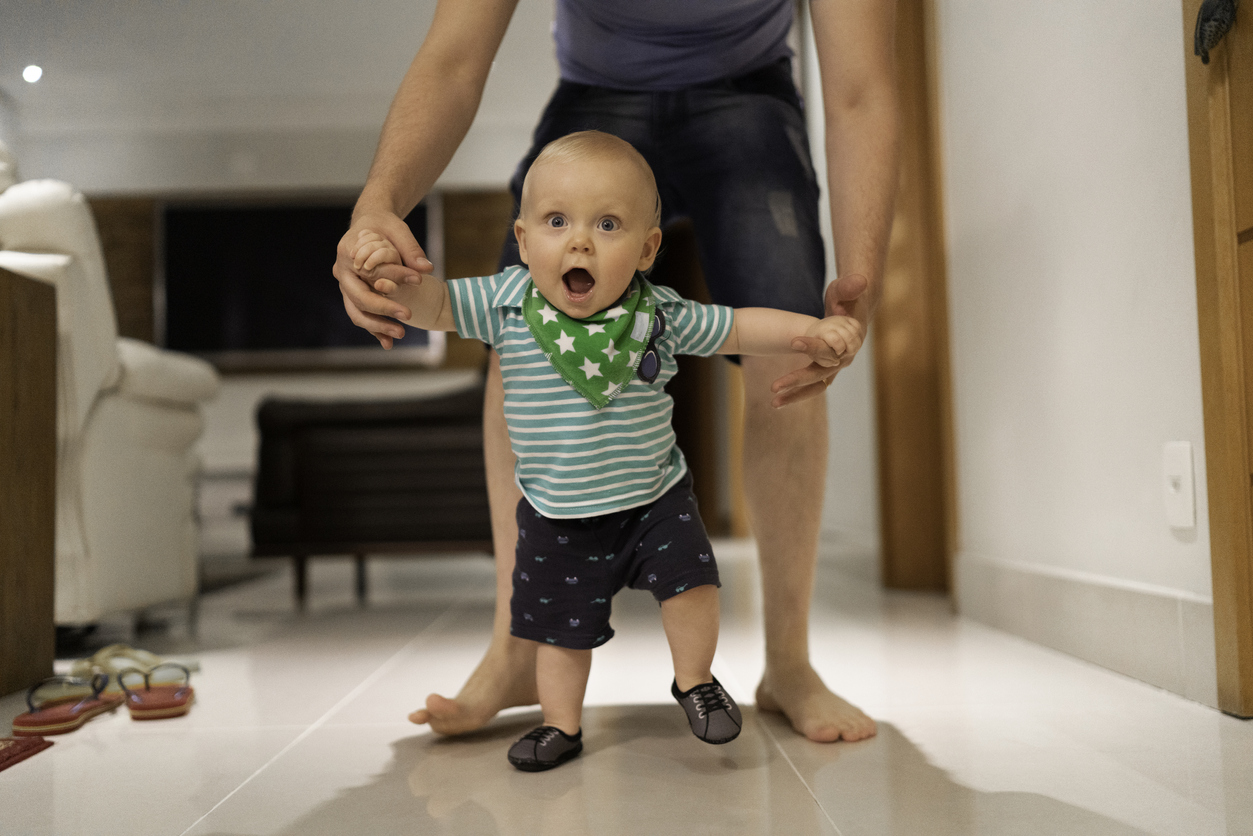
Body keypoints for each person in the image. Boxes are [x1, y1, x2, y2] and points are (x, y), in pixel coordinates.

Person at [332, 0, 898, 744]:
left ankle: (788, 662)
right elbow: (454, 58)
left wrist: (854, 287)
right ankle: (514, 651)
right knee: (518, 346)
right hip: (597, 89)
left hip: (749, 91)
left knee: (785, 363)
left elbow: (860, 87)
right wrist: (378, 205)